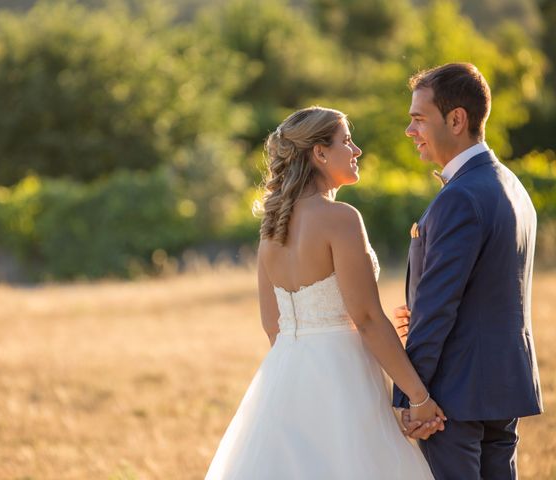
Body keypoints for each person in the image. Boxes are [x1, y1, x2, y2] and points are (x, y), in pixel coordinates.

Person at [205, 106, 442, 479]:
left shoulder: (271, 229)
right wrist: (419, 397)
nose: (357, 150)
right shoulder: (342, 219)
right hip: (343, 373)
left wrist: (298, 378)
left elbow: (273, 326)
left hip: (286, 374)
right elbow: (366, 318)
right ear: (319, 153)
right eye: (347, 141)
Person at [393, 63, 543, 479]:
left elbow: (439, 308)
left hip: (453, 398)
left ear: (456, 119)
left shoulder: (459, 197)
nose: (411, 131)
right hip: (502, 389)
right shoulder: (512, 186)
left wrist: (413, 398)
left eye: (418, 119)